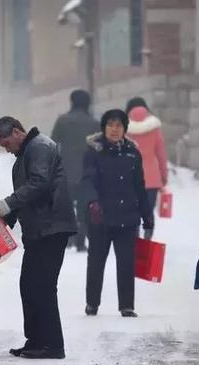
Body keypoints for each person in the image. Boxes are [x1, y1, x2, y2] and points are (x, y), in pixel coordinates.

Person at [0, 116, 77, 359]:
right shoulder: (25, 153)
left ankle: (52, 345)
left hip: (51, 227)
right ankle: (36, 340)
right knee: (29, 285)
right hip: (40, 229)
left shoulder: (40, 146)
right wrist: (6, 217)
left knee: (42, 286)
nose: (6, 149)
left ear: (18, 132)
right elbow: (27, 192)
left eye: (6, 142)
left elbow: (39, 183)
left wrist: (9, 203)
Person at [82, 109, 154, 318]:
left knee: (126, 262)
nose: (114, 129)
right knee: (96, 261)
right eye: (110, 125)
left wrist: (147, 215)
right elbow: (87, 180)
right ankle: (92, 303)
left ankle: (127, 305)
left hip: (128, 217)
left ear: (125, 128)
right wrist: (92, 202)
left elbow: (140, 186)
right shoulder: (93, 151)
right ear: (104, 128)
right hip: (100, 217)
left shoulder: (133, 152)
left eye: (119, 125)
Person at [51, 89, 100, 251]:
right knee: (83, 209)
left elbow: (53, 143)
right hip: (87, 173)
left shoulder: (63, 121)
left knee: (66, 207)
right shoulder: (94, 123)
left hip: (65, 171)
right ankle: (80, 241)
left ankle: (69, 238)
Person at [126, 97, 169, 232]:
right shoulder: (154, 127)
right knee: (148, 213)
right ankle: (147, 244)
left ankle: (134, 244)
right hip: (152, 179)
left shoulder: (123, 127)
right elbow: (161, 154)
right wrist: (164, 175)